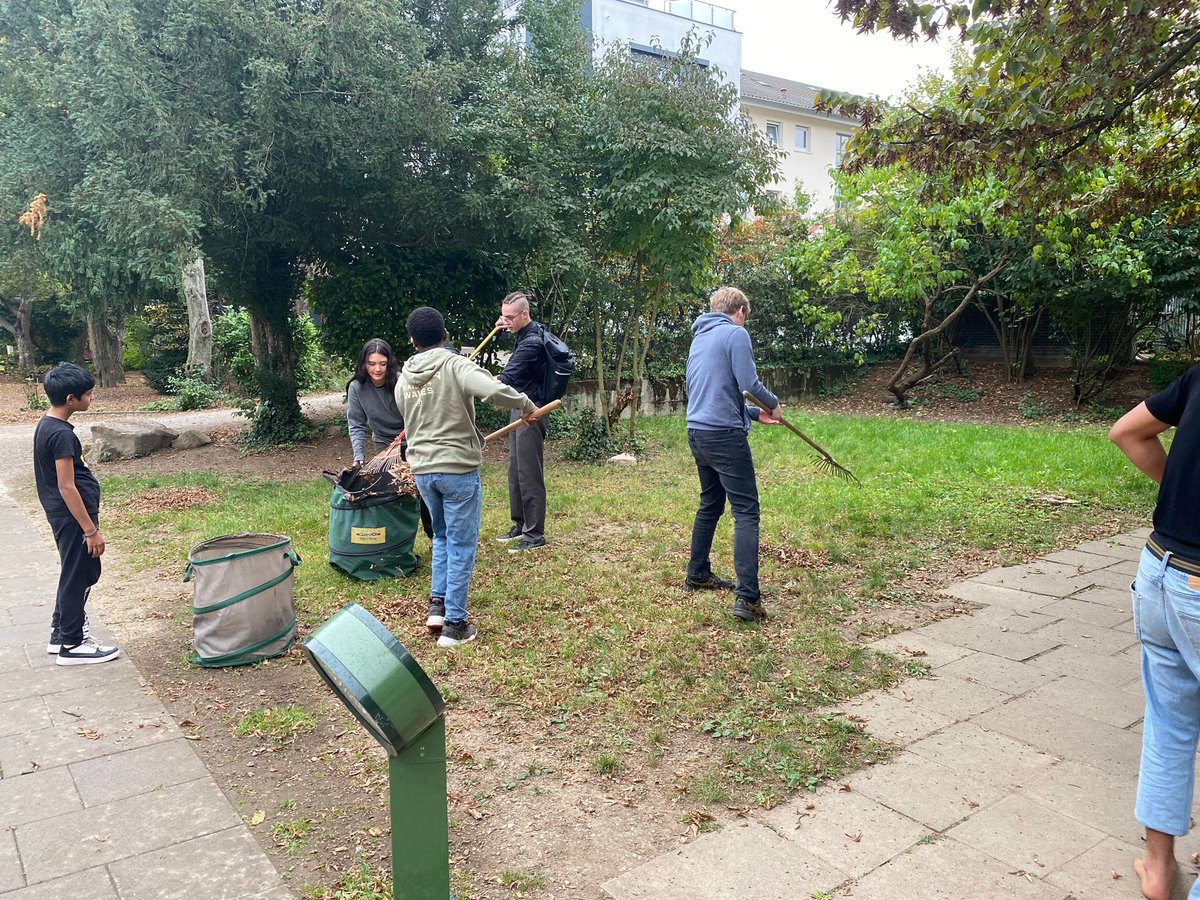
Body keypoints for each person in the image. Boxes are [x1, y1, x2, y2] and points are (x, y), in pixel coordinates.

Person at [396, 307, 538, 647]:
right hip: (457, 470)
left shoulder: (403, 379)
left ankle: (438, 607)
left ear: (412, 340)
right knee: (461, 544)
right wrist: (527, 405)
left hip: (424, 472)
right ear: (444, 336)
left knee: (442, 538)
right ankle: (455, 626)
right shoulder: (454, 364)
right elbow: (493, 390)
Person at [1110, 364, 1200, 900]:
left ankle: (1159, 868)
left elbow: (1127, 431)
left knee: (1168, 724)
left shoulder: (1197, 377)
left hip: (1160, 572)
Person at [683, 286, 780, 622]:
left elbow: (715, 390)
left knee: (710, 502)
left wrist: (754, 414)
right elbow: (749, 384)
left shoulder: (700, 338)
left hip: (698, 431)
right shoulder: (735, 334)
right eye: (746, 318)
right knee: (747, 512)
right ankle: (748, 599)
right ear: (740, 311)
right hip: (724, 435)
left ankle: (697, 573)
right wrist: (774, 405)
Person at [33, 362, 120, 665]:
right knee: (80, 574)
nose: (91, 397)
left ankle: (60, 634)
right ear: (71, 399)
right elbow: (67, 486)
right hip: (72, 518)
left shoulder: (49, 425)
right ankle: (73, 644)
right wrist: (90, 531)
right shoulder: (61, 435)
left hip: (66, 516)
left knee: (75, 572)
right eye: (88, 394)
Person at [345, 338, 433, 539]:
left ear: (390, 363)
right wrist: (358, 455)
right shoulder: (357, 387)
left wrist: (408, 435)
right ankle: (397, 538)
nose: (377, 369)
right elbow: (357, 424)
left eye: (382, 364)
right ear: (364, 363)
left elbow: (419, 414)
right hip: (384, 444)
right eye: (372, 364)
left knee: (422, 490)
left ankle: (434, 536)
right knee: (391, 492)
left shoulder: (403, 382)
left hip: (413, 440)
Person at [494, 291, 550, 553]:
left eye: (509, 318)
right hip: (520, 406)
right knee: (515, 468)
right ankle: (521, 523)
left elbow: (506, 378)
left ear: (524, 314)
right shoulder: (524, 333)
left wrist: (475, 385)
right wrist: (503, 328)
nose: (505, 322)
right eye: (503, 317)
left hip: (533, 410)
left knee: (529, 472)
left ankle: (535, 534)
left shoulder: (532, 343)